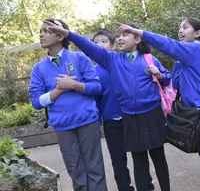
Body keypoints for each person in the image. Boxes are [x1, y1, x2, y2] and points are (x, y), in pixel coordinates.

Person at [45, 22, 171, 191]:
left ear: (138, 38)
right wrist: (68, 33)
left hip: (152, 114)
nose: (119, 38)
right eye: (118, 36)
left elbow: (167, 79)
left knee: (158, 157)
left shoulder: (149, 58)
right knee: (138, 160)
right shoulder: (112, 59)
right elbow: (88, 46)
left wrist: (160, 74)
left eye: (125, 35)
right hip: (130, 117)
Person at [117, 17, 200, 191]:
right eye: (179, 27)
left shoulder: (196, 48)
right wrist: (177, 63)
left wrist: (140, 32)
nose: (180, 30)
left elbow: (167, 44)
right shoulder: (184, 57)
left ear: (197, 34)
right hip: (193, 110)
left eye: (185, 27)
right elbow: (175, 84)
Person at [28, 19, 107, 191]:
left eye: (47, 31)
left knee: (95, 169)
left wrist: (74, 85)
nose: (41, 34)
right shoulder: (38, 68)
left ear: (59, 35)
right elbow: (36, 102)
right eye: (41, 30)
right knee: (76, 172)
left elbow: (97, 87)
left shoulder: (79, 58)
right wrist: (58, 90)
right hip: (62, 126)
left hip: (87, 121)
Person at [92, 29, 155, 191]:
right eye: (95, 42)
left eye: (103, 41)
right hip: (111, 121)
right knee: (118, 159)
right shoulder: (93, 72)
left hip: (133, 117)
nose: (99, 45)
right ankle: (124, 187)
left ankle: (146, 184)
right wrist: (99, 120)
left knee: (139, 154)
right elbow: (96, 99)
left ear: (113, 45)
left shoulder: (124, 62)